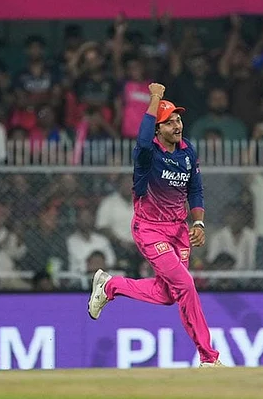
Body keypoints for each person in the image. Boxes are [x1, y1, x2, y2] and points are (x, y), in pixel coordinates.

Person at [87, 83, 223, 368]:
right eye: (169, 122)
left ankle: (110, 286)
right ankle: (209, 357)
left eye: (178, 119)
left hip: (178, 231)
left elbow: (195, 189)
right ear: (158, 130)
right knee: (185, 285)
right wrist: (154, 99)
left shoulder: (187, 152)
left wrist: (198, 221)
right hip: (150, 229)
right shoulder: (147, 156)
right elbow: (143, 137)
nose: (177, 125)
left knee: (167, 295)